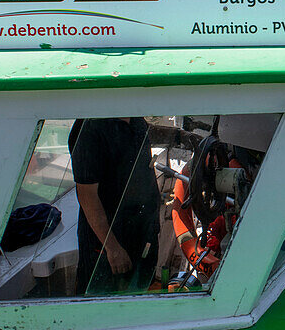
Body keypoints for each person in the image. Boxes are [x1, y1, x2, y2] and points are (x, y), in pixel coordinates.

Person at [69, 118, 195, 295]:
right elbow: (87, 196)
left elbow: (146, 131)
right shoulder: (89, 130)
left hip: (142, 232)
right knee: (104, 298)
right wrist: (112, 248)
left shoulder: (133, 118)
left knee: (139, 289)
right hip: (111, 241)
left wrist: (183, 137)